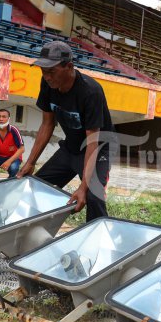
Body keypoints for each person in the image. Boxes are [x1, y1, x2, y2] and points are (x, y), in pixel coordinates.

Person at [16, 41, 113, 222]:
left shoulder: (91, 92)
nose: (46, 77)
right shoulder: (47, 85)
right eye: (43, 72)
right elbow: (47, 124)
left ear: (69, 66)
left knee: (94, 197)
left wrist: (83, 188)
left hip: (98, 150)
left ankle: (98, 243)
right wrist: (30, 162)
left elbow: (92, 142)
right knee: (36, 187)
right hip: (71, 147)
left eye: (51, 71)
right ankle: (29, 234)